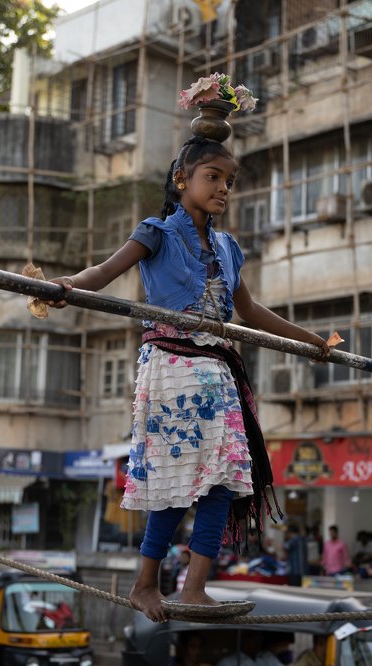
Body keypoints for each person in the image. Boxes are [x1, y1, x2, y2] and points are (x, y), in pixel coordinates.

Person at [42, 135, 329, 622]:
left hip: (217, 372)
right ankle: (145, 584)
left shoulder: (228, 247)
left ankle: (193, 588)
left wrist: (311, 341)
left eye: (229, 181)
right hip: (173, 367)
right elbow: (105, 271)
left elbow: (251, 311)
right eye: (213, 177)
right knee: (175, 481)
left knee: (226, 478)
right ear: (181, 180)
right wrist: (66, 286)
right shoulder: (156, 232)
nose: (223, 188)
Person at [215, 631, 282, 666]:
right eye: (252, 636)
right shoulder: (227, 662)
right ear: (243, 639)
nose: (257, 640)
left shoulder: (268, 657)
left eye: (259, 636)